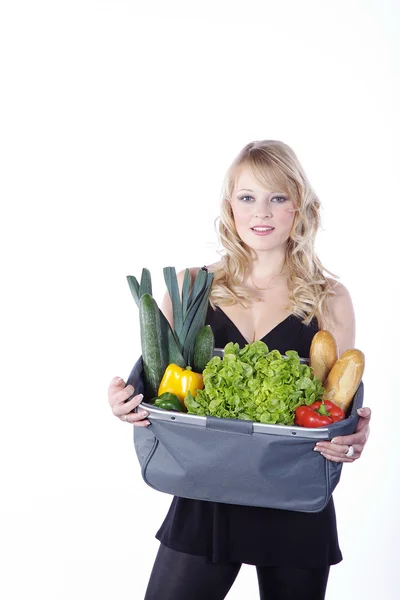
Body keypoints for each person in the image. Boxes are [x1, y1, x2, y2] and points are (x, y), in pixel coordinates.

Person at [108, 140, 371, 600]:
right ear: (230, 206)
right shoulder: (191, 286)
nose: (261, 212)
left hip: (293, 491)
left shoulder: (329, 297)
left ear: (299, 207)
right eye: (247, 197)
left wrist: (353, 431)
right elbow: (161, 388)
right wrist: (126, 401)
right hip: (207, 490)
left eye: (277, 197)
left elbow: (334, 402)